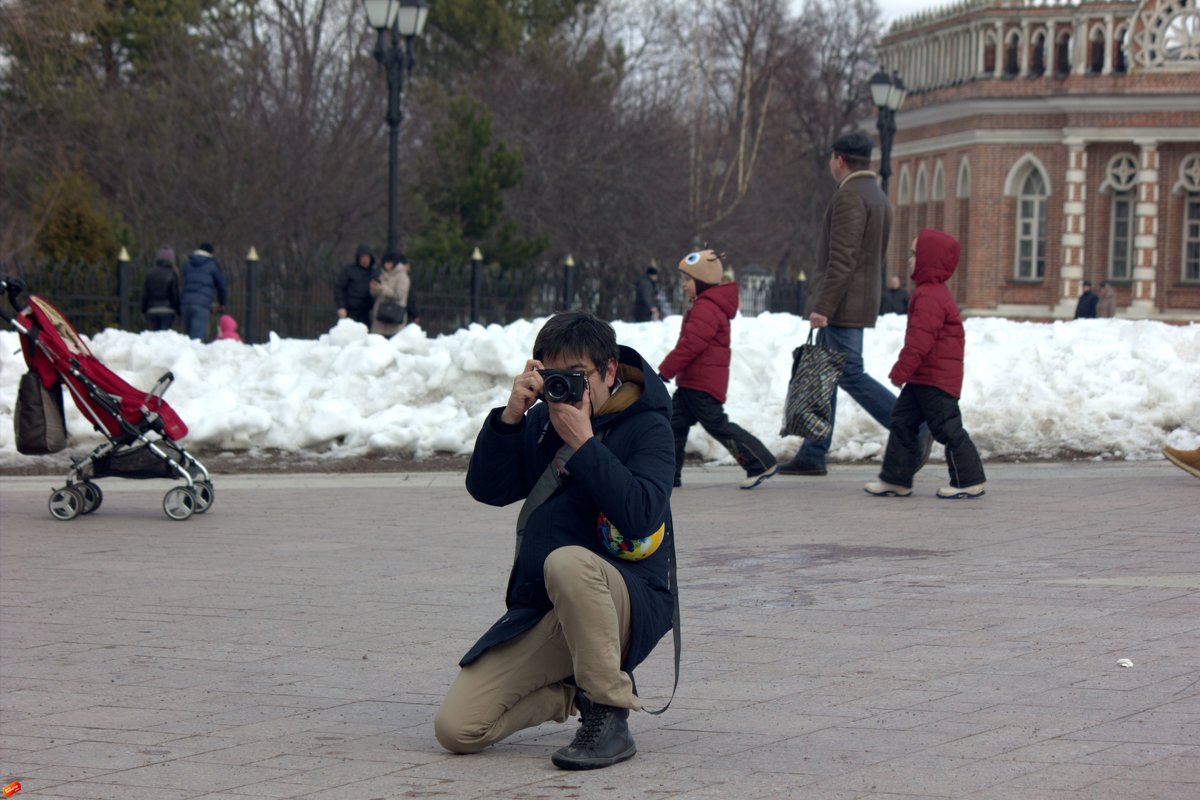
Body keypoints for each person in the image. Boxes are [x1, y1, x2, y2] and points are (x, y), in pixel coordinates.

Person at [434, 311, 676, 772]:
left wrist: (585, 445)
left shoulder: (648, 426)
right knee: (458, 729)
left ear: (608, 370)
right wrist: (509, 419)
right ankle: (576, 690)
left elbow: (642, 515)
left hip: (625, 599)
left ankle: (608, 712)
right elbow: (489, 489)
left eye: (578, 375)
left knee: (568, 562)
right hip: (551, 611)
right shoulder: (545, 420)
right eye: (553, 375)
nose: (566, 387)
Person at [780, 131, 928, 476]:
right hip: (857, 299)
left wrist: (823, 305)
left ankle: (914, 427)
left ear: (839, 159)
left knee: (849, 373)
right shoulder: (876, 194)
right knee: (829, 375)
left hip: (844, 303)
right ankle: (814, 453)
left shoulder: (849, 197)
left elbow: (842, 259)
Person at [864, 230, 986, 499]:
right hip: (923, 378)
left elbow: (921, 340)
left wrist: (901, 371)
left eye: (914, 254)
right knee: (902, 421)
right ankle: (896, 479)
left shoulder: (930, 295)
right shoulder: (928, 292)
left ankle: (969, 479)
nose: (909, 260)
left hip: (936, 379)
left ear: (929, 259)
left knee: (946, 428)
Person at [658, 249, 777, 490]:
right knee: (673, 425)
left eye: (688, 280)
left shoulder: (707, 308)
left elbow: (691, 345)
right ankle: (668, 476)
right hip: (692, 382)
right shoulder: (705, 305)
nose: (684, 285)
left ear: (702, 281)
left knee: (717, 426)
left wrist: (664, 371)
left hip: (701, 384)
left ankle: (759, 462)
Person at [180, 243, 228, 341]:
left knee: (187, 338)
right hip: (202, 304)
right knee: (196, 338)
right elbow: (221, 285)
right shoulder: (212, 265)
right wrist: (222, 303)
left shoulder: (187, 263)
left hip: (185, 303)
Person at [369, 252, 416, 336]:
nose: (387, 265)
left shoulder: (403, 277)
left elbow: (399, 295)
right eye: (386, 263)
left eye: (390, 263)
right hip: (380, 317)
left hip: (394, 316)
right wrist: (374, 288)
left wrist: (383, 289)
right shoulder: (381, 275)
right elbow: (374, 295)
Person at [335, 244, 377, 326]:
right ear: (358, 258)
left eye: (367, 257)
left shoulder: (374, 273)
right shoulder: (349, 271)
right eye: (363, 257)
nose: (365, 260)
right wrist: (341, 306)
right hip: (349, 311)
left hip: (367, 312)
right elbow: (339, 288)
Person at [141, 246, 180, 331]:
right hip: (167, 310)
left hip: (151, 309)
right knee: (164, 337)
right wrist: (177, 310)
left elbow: (145, 294)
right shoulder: (172, 273)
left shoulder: (150, 273)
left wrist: (143, 310)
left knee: (154, 337)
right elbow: (174, 294)